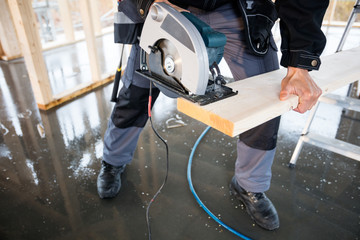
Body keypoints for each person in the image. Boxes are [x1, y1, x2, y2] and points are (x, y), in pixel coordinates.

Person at [97, 0, 329, 231]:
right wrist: (147, 4)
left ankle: (250, 184)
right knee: (135, 93)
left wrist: (300, 63)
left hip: (239, 9)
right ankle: (112, 160)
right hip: (165, 7)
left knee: (265, 104)